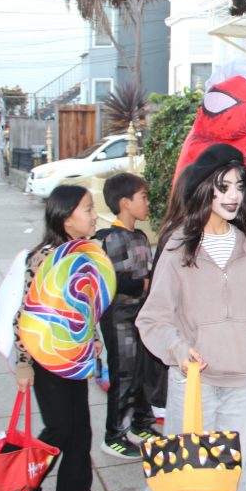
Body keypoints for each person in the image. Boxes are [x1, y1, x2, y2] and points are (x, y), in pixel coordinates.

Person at [137, 143, 246, 491]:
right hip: (194, 383)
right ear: (204, 188)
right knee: (179, 479)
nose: (233, 196)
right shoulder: (180, 245)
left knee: (230, 483)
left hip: (240, 384)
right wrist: (179, 351)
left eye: (240, 187)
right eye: (223, 186)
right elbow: (152, 318)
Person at [14, 185, 109, 491]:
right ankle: (26, 484)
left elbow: (84, 307)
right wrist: (24, 363)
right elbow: (26, 315)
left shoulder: (86, 254)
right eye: (87, 209)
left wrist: (93, 339)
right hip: (46, 358)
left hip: (76, 358)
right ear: (66, 218)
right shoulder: (43, 258)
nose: (94, 214)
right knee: (59, 428)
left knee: (80, 431)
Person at [92, 172, 158, 460]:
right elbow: (107, 282)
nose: (148, 203)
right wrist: (144, 283)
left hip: (142, 318)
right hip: (119, 319)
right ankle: (114, 434)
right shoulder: (105, 240)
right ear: (124, 202)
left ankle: (142, 424)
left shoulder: (141, 236)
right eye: (143, 197)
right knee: (124, 374)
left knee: (142, 372)